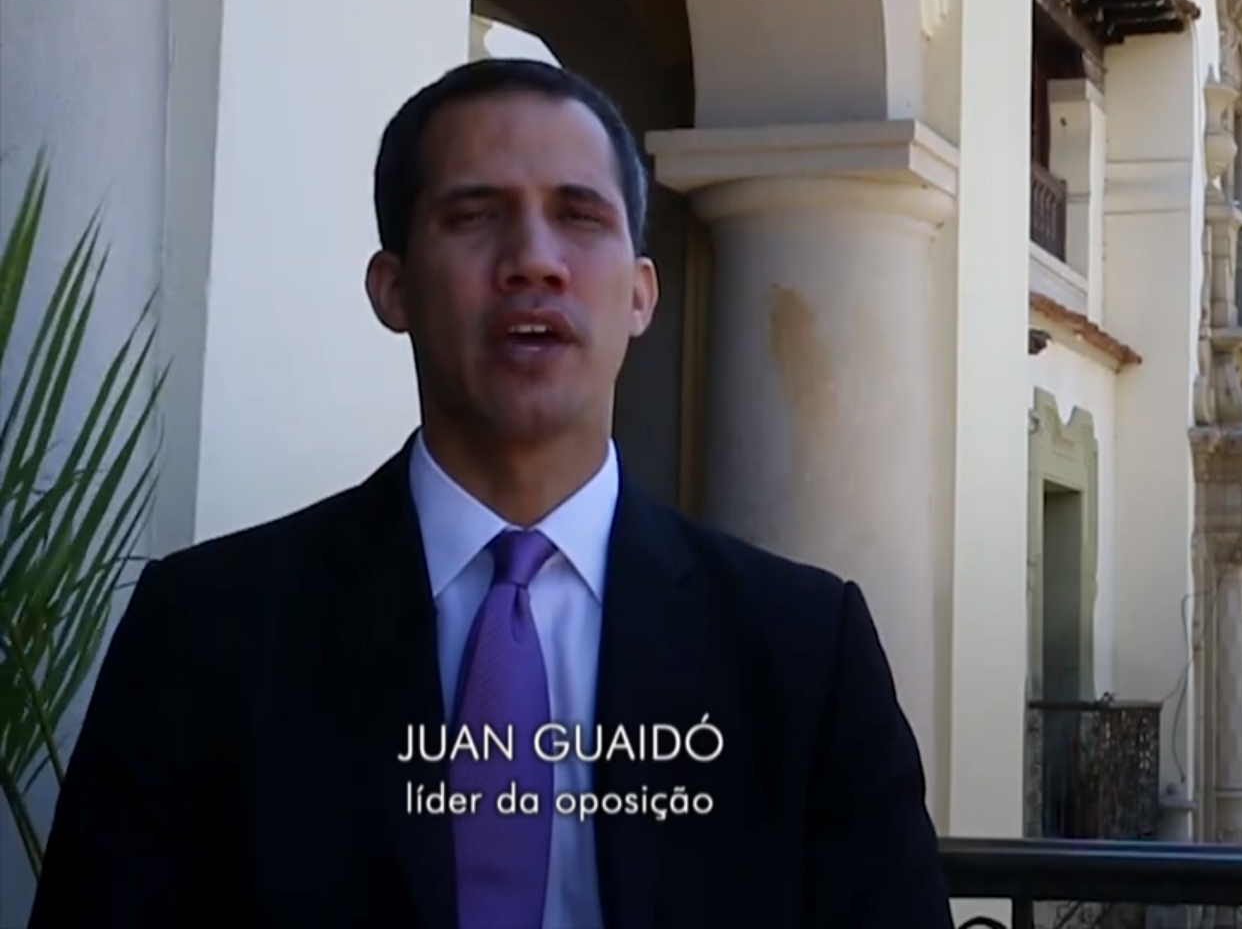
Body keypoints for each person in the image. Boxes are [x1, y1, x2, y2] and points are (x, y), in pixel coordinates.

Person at [30, 59, 954, 929]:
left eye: (580, 216)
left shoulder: (802, 650)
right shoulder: (208, 634)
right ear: (392, 289)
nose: (534, 261)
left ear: (639, 296)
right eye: (475, 216)